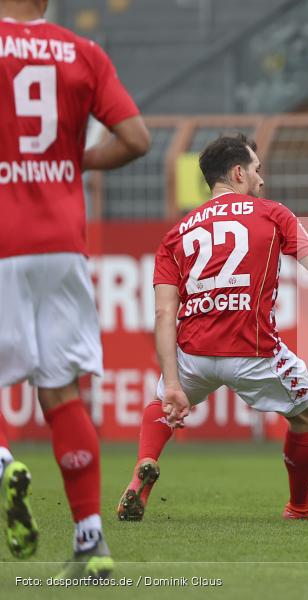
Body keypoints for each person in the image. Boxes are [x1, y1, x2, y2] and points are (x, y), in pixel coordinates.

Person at [116, 134, 308, 524]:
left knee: (161, 406)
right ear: (238, 172)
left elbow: (164, 316)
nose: (261, 180)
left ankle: (141, 476)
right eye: (257, 170)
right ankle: (301, 504)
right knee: (307, 411)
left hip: (193, 354)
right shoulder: (273, 214)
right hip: (252, 352)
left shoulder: (176, 234)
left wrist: (172, 382)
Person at [0, 0, 150, 574]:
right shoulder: (81, 52)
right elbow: (135, 138)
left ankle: (4, 466)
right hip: (62, 243)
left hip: (4, 239)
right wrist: (70, 162)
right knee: (62, 390)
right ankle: (91, 542)